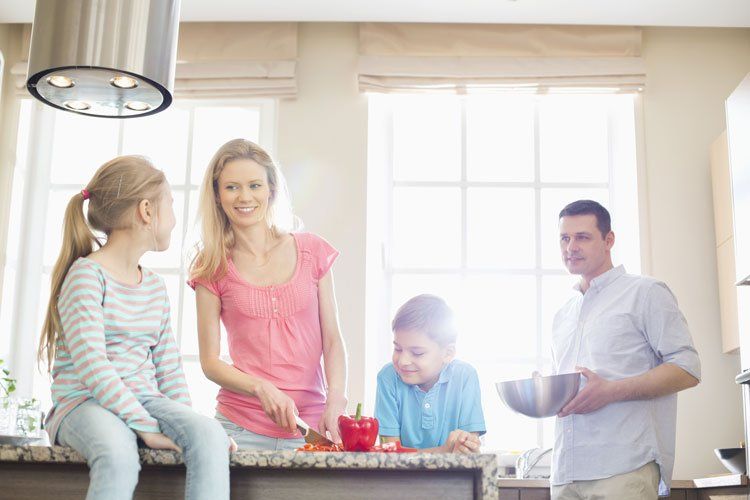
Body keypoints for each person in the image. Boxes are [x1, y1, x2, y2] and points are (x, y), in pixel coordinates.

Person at [40, 156, 232, 500]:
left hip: (143, 399)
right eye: (170, 206)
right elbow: (93, 367)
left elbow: (169, 366)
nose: (174, 220)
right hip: (81, 403)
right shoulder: (87, 276)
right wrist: (144, 426)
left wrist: (193, 428)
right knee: (118, 452)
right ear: (146, 211)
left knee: (210, 434)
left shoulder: (154, 286)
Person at [188, 138, 348, 450]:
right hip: (239, 429)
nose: (244, 197)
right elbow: (209, 362)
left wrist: (336, 400)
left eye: (254, 185)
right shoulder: (210, 264)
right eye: (232, 187)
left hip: (310, 429)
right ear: (218, 196)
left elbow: (332, 339)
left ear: (271, 190)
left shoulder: (313, 251)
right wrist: (261, 388)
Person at [550, 199, 701, 499]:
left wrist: (611, 390)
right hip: (565, 472)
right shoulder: (563, 314)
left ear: (609, 240)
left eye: (582, 237)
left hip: (623, 469)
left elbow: (687, 368)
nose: (571, 247)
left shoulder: (645, 293)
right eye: (564, 238)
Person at [374, 294, 486, 453]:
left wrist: (462, 446)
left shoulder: (465, 377)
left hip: (453, 478)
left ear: (448, 353)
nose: (403, 361)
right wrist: (444, 451)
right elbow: (390, 455)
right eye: (398, 349)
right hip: (400, 478)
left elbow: (467, 452)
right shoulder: (388, 378)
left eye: (417, 353)